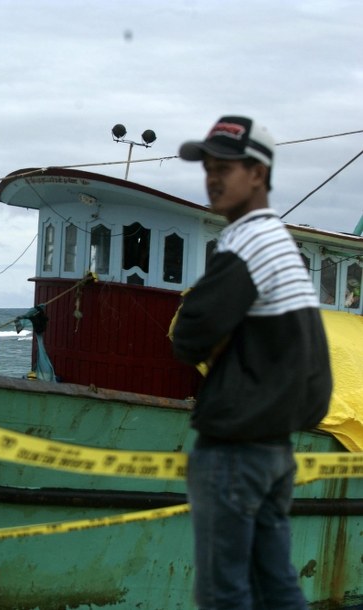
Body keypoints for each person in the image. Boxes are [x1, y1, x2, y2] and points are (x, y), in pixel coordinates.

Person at [171, 116, 332, 609]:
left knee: (224, 592)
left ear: (258, 175)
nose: (212, 179)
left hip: (234, 452)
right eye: (208, 169)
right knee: (276, 585)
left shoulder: (245, 243)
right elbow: (313, 368)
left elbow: (189, 333)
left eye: (225, 168)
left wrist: (221, 338)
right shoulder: (282, 245)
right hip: (274, 450)